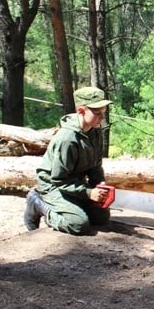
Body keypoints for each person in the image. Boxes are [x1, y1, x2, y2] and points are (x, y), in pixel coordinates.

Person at [23, 86, 114, 235]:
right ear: (81, 111)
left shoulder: (95, 131)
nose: (102, 118)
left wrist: (99, 185)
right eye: (97, 113)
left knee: (101, 217)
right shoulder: (67, 139)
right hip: (53, 185)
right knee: (78, 224)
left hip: (74, 183)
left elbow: (95, 166)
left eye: (103, 112)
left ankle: (72, 205)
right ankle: (37, 202)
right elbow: (59, 180)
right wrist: (89, 193)